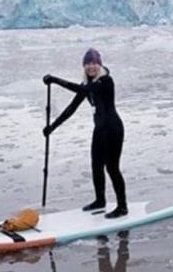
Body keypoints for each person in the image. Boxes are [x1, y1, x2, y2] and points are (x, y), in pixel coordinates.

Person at [42, 48, 128, 218]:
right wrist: (52, 127)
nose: (91, 66)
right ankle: (100, 200)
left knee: (112, 168)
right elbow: (71, 109)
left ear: (99, 65)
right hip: (99, 130)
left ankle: (122, 207)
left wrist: (55, 80)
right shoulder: (87, 85)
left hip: (113, 129)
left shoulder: (106, 81)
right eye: (88, 63)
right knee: (96, 165)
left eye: (94, 63)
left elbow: (81, 90)